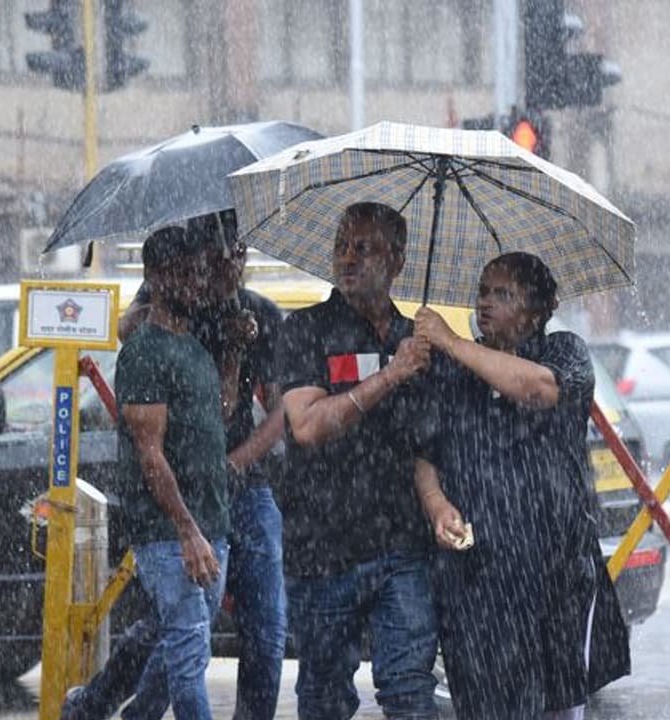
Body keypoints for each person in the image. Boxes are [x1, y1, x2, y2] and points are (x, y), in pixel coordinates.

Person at [65, 213, 287, 720]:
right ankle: (114, 705)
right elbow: (129, 338)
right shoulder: (172, 313)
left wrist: (235, 461)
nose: (229, 263)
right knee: (179, 630)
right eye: (216, 255)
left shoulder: (257, 316)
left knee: (260, 628)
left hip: (241, 489)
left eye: (239, 252)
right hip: (179, 493)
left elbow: (274, 412)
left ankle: (120, 708)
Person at [412, 252, 630, 720]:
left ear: (536, 311)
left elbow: (537, 389)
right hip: (476, 579)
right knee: (481, 705)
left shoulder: (565, 353)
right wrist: (436, 505)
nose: (486, 303)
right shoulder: (451, 371)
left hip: (555, 575)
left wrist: (450, 341)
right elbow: (427, 455)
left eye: (503, 294)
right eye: (484, 292)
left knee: (555, 704)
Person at [277, 201, 438, 720]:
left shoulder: (415, 341)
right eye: (341, 245)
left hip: (401, 546)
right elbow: (306, 426)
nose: (347, 257)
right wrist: (391, 375)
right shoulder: (305, 330)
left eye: (363, 248)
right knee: (325, 700)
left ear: (397, 261)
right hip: (323, 549)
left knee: (410, 691)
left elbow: (427, 444)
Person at [113, 226, 231, 720]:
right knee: (187, 652)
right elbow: (150, 455)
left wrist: (236, 348)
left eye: (199, 272)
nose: (196, 283)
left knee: (179, 647)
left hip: (211, 525)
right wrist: (187, 532)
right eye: (183, 274)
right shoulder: (144, 352)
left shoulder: (196, 348)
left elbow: (219, 415)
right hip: (168, 534)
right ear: (155, 279)